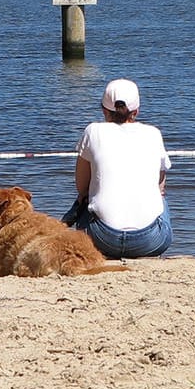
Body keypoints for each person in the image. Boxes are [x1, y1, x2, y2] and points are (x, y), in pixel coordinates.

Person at [67, 78, 173, 258]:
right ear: (136, 111)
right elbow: (160, 184)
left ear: (104, 110)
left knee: (86, 200)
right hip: (151, 241)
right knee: (159, 195)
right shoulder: (153, 133)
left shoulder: (93, 131)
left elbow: (81, 187)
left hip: (102, 239)